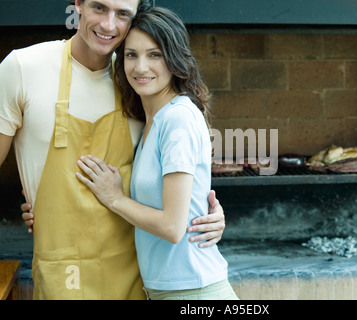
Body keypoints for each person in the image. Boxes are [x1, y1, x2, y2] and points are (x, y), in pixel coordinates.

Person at [0, 0, 225, 300]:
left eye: (122, 14)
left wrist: (203, 214)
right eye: (99, 7)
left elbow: (173, 173)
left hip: (136, 275)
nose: (108, 25)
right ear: (77, 4)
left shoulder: (136, 81)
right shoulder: (23, 68)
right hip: (64, 271)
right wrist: (33, 200)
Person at [75, 6, 238, 300]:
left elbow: (173, 227)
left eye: (155, 55)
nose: (141, 68)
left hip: (193, 291)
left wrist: (114, 198)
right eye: (131, 55)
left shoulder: (177, 119)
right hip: (167, 290)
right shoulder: (150, 119)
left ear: (174, 58)